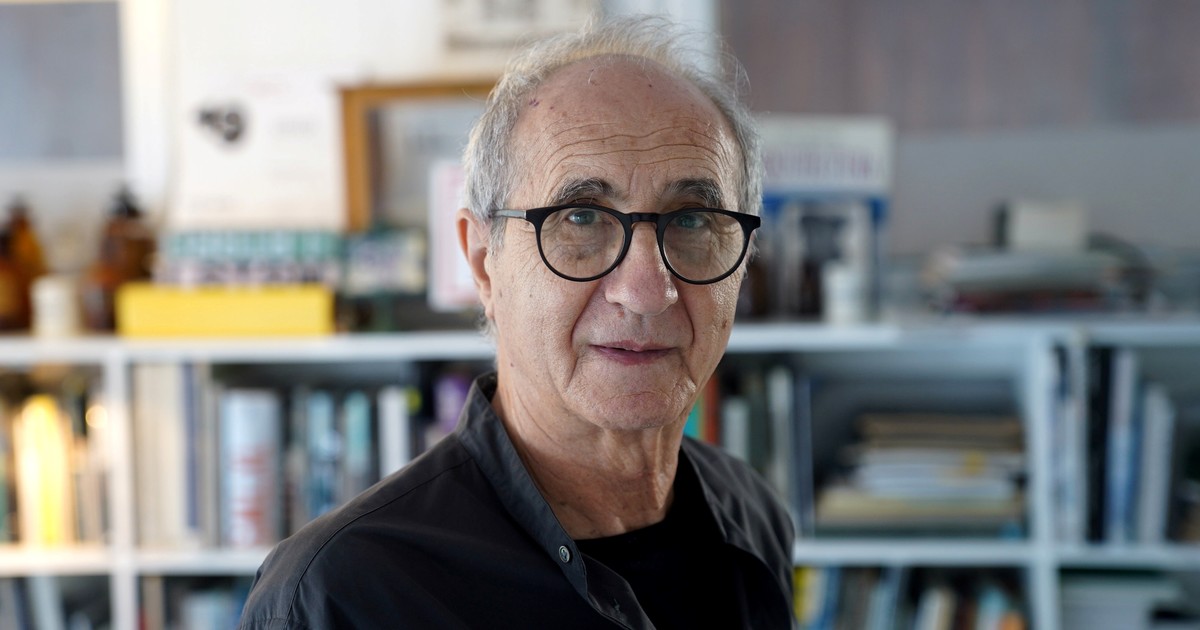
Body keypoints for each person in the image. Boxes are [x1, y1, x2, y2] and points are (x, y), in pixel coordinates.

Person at [239, 14, 794, 629]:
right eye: (580, 218)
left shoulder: (751, 514)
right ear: (484, 262)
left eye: (692, 220)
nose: (646, 292)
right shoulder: (342, 593)